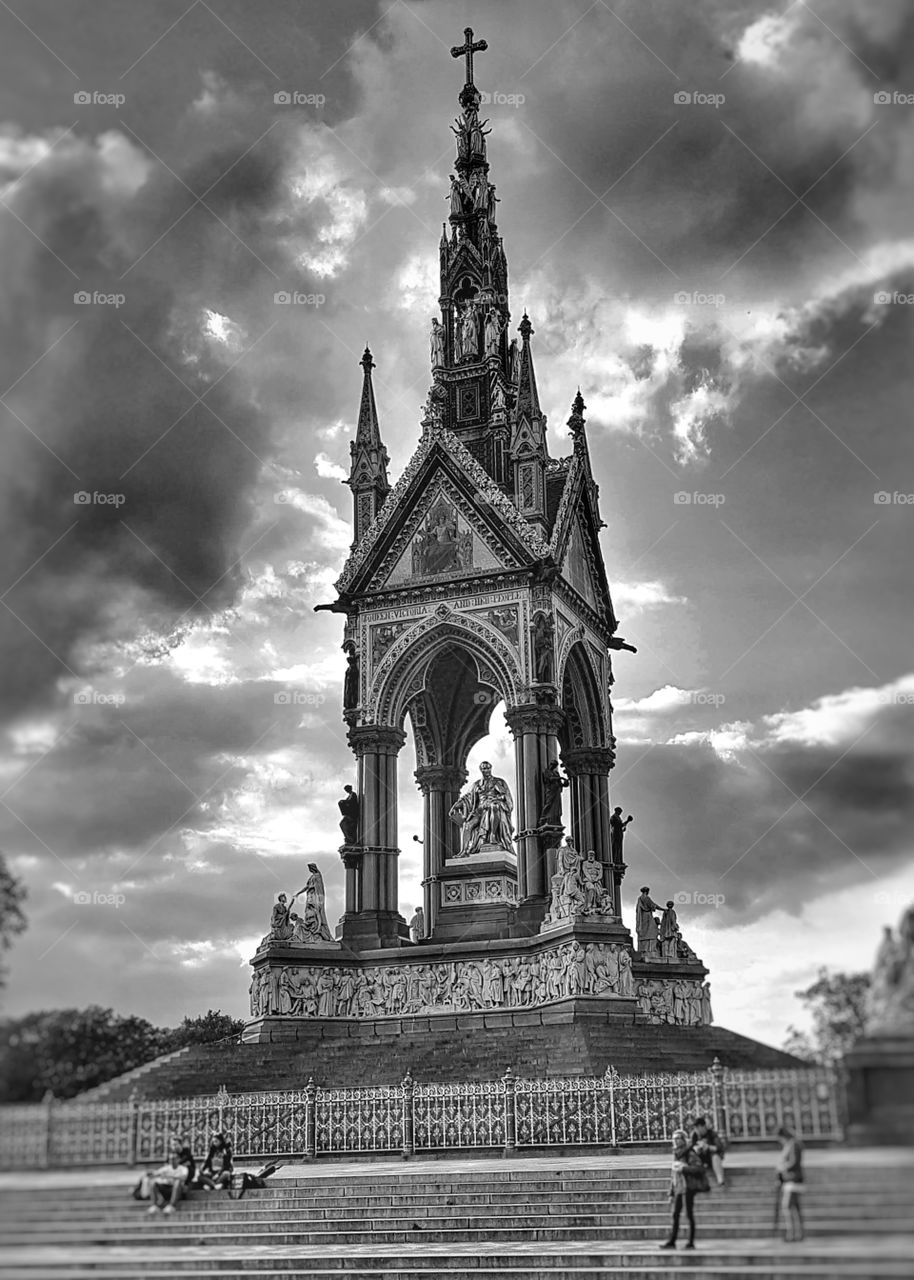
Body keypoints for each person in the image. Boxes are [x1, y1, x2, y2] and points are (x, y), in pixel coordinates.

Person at [660, 1129, 708, 1249]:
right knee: (675, 1214)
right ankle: (672, 1241)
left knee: (689, 1214)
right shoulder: (676, 1153)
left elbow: (699, 1168)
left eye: (678, 1138)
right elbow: (674, 1174)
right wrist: (671, 1192)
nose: (676, 1141)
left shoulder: (689, 1153)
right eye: (674, 1138)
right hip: (679, 1188)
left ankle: (691, 1242)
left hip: (688, 1187)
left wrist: (684, 1169)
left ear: (683, 1139)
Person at [777, 1124, 805, 1242]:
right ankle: (799, 1233)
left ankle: (792, 1233)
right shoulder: (792, 1144)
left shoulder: (793, 1145)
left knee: (787, 1206)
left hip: (792, 1179)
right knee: (795, 1207)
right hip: (792, 1179)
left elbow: (794, 1162)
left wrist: (782, 1168)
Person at [148, 1146, 191, 1215]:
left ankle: (172, 1205)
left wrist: (169, 1176)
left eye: (173, 1159)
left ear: (178, 1159)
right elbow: (156, 1173)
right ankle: (154, 1205)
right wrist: (151, 1173)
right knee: (153, 1182)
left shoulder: (183, 1168)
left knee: (177, 1182)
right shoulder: (166, 1168)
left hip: (178, 1191)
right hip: (166, 1189)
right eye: (170, 1159)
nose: (172, 1161)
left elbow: (183, 1177)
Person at [691, 1115, 726, 1187]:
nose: (696, 1130)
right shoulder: (694, 1135)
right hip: (701, 1158)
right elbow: (691, 1147)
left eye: (697, 1127)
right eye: (695, 1128)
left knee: (715, 1156)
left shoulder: (712, 1134)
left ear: (702, 1126)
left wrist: (707, 1146)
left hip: (711, 1158)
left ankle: (720, 1180)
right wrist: (696, 1148)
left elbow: (719, 1148)